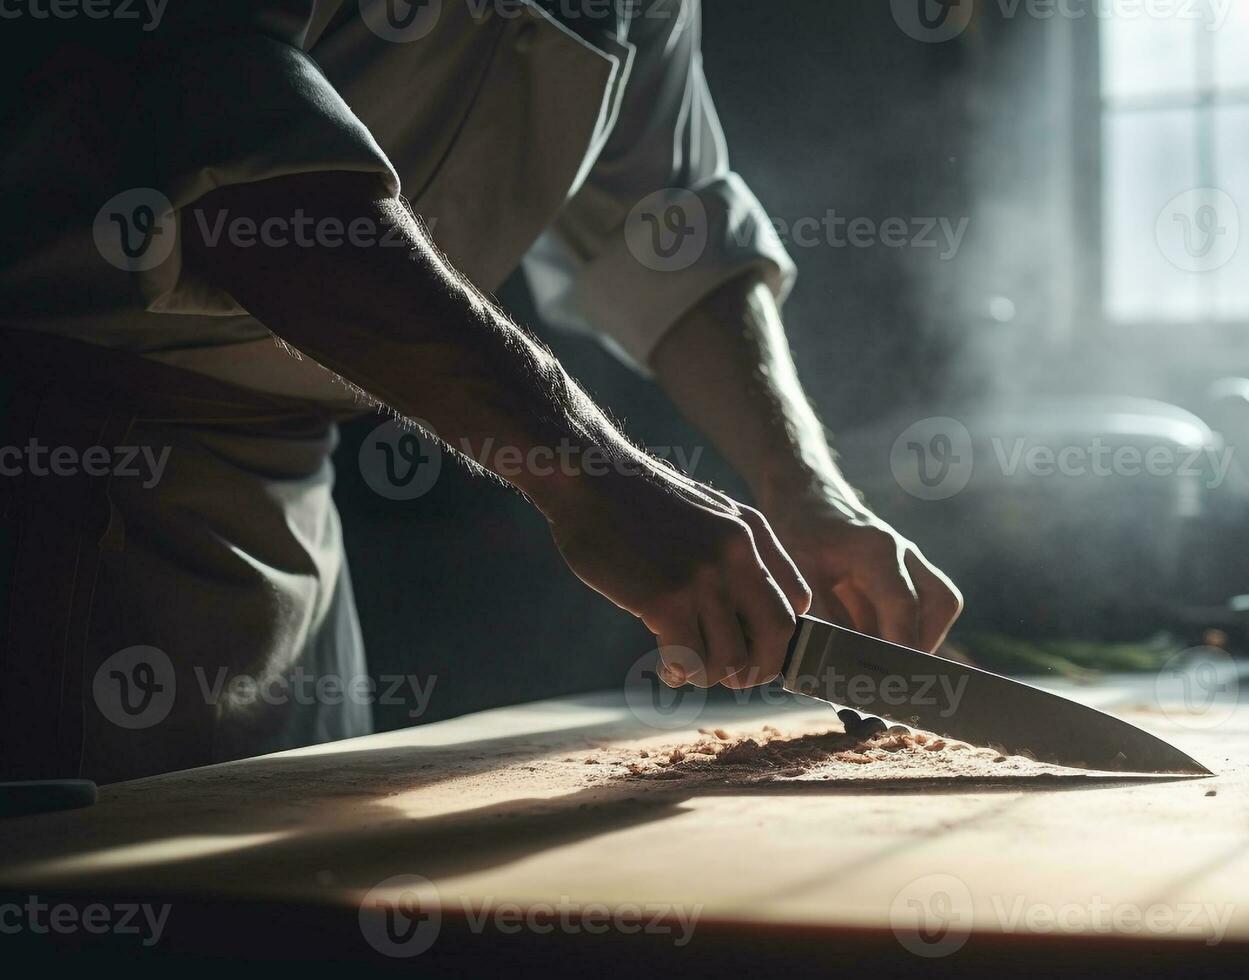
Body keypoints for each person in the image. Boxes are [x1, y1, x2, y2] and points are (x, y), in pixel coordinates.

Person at [0, 0, 962, 783]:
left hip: (293, 497)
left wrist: (806, 492)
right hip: (65, 467)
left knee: (284, 890)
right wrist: (591, 478)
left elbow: (671, 224)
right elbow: (242, 174)